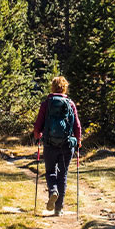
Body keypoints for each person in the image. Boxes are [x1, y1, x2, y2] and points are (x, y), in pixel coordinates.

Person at [33, 76, 82, 216]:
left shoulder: (47, 103)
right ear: (64, 87)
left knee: (50, 172)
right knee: (63, 174)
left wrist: (38, 135)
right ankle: (59, 208)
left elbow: (38, 124)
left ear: (52, 87)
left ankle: (53, 191)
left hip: (49, 144)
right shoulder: (70, 103)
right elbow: (76, 124)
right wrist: (78, 140)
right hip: (67, 144)